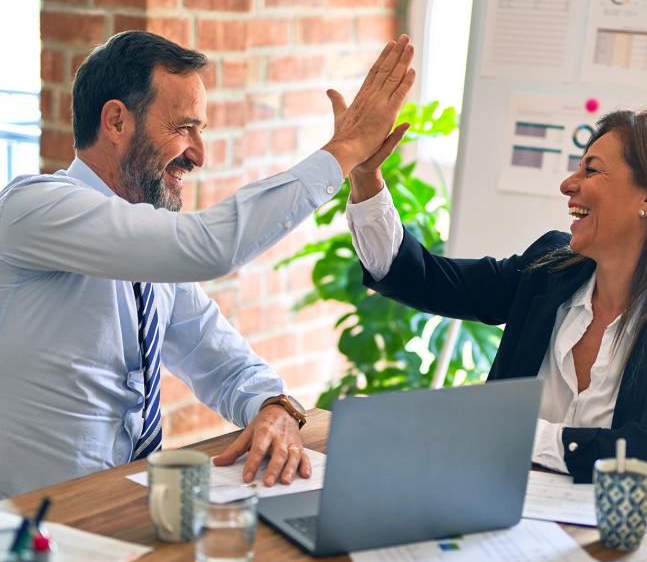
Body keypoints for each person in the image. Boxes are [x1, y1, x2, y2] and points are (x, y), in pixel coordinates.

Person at [0, 30, 415, 498]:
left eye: (201, 131)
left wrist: (274, 406)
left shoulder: (149, 249)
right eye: (183, 128)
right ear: (116, 121)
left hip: (124, 509)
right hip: (28, 530)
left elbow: (221, 362)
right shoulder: (34, 208)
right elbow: (209, 247)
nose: (199, 153)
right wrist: (344, 151)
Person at [346, 108, 647, 494]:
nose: (567, 184)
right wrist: (364, 176)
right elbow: (422, 278)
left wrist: (516, 435)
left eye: (591, 171)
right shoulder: (549, 269)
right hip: (503, 511)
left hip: (627, 538)